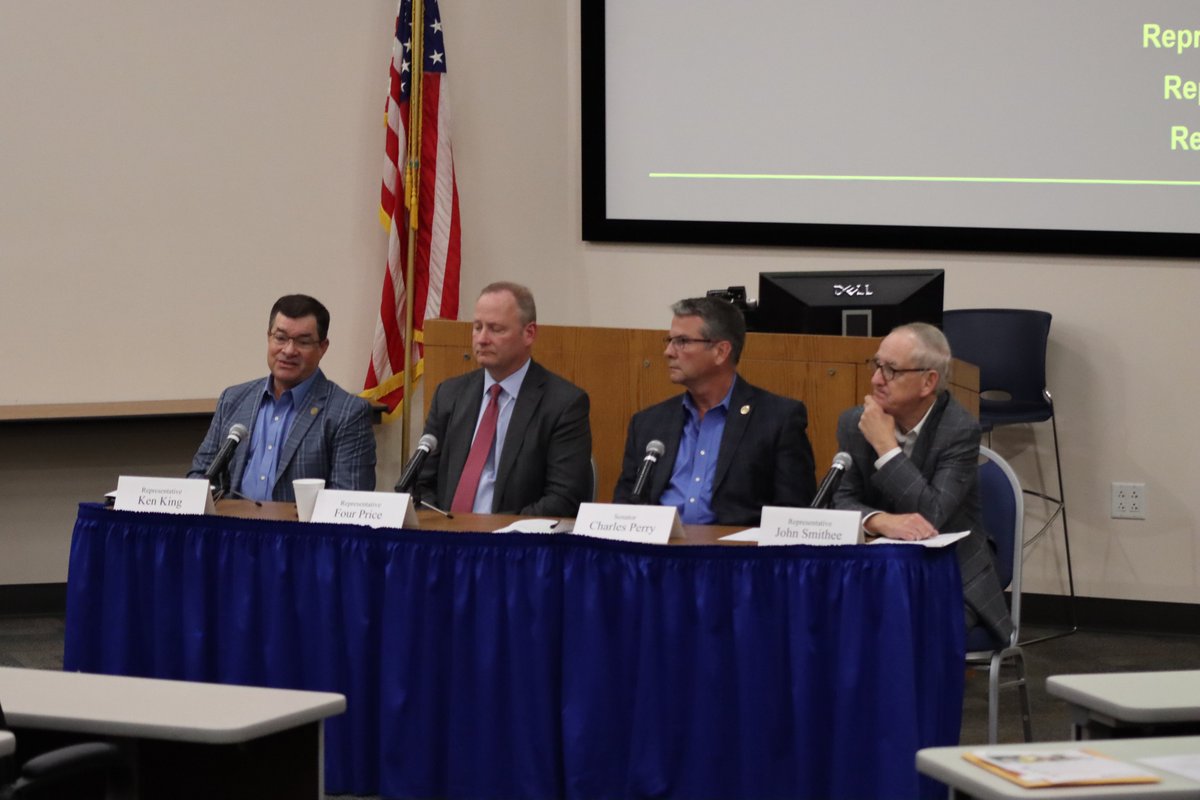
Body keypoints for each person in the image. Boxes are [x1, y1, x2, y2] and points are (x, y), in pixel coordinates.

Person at [832, 322, 1013, 641]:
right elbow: (840, 500)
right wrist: (880, 520)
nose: (876, 379)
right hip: (878, 570)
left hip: (949, 573)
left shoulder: (960, 429)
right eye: (876, 365)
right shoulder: (853, 422)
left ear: (928, 381)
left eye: (891, 370)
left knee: (897, 631)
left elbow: (932, 514)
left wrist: (885, 448)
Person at [613, 296, 816, 525]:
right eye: (669, 340)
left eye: (682, 341)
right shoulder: (648, 423)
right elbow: (626, 505)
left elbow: (795, 515)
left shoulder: (777, 419)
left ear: (721, 351)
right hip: (659, 553)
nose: (668, 351)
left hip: (735, 556)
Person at [412, 282, 592, 516]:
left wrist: (499, 537)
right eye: (477, 327)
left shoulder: (563, 404)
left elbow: (563, 499)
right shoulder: (450, 394)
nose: (482, 339)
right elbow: (420, 484)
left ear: (529, 333)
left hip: (514, 545)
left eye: (495, 329)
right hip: (447, 541)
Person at [188, 294, 376, 501]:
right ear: (269, 338)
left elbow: (348, 498)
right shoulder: (234, 400)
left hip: (300, 531)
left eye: (303, 342)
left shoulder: (347, 412)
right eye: (280, 338)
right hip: (232, 529)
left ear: (322, 347)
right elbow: (199, 475)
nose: (288, 350)